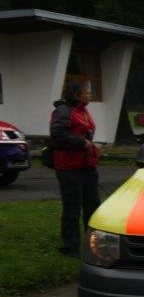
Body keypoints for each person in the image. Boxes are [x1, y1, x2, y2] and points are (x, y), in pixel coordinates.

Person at [49, 82, 101, 255]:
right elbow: (58, 135)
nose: (89, 95)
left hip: (87, 165)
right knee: (72, 207)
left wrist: (92, 144)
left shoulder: (83, 110)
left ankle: (92, 244)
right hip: (69, 166)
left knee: (92, 205)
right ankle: (70, 246)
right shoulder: (63, 111)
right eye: (86, 92)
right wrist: (81, 142)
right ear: (76, 95)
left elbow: (83, 132)